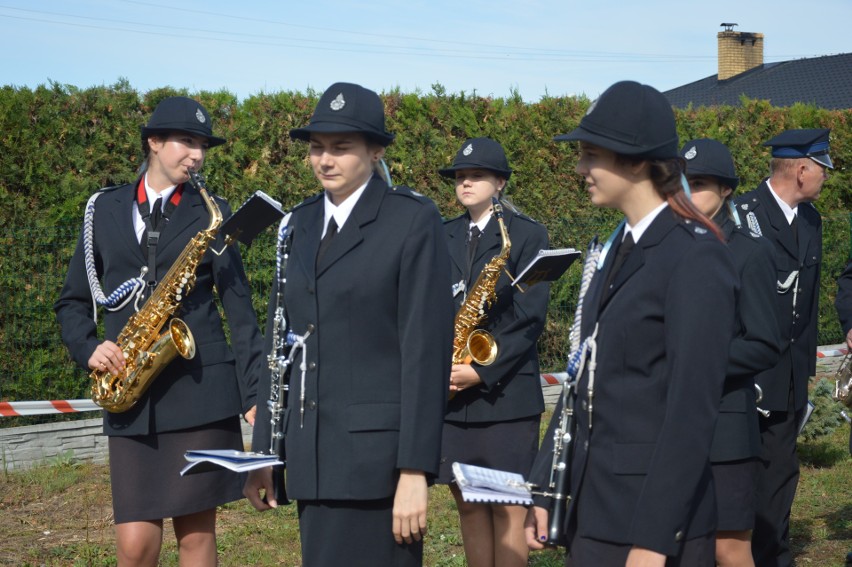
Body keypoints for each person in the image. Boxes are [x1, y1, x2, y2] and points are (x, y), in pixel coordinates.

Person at [524, 80, 738, 567]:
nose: (580, 168)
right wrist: (544, 485)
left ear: (637, 161)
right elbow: (582, 376)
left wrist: (655, 540)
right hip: (595, 511)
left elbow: (691, 411)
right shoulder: (617, 252)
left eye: (590, 154)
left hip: (652, 525)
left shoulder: (695, 258)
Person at [243, 82, 454, 566]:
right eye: (317, 148)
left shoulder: (411, 220)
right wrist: (264, 455)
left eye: (341, 147)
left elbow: (425, 350)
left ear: (375, 150)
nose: (325, 160)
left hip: (379, 466)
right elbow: (282, 346)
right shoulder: (296, 224)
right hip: (313, 458)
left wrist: (415, 470)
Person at [54, 96, 263, 566]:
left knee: (195, 537)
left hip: (201, 392)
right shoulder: (101, 209)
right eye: (186, 142)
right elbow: (71, 301)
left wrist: (253, 394)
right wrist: (88, 348)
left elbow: (240, 309)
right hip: (132, 393)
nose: (197, 154)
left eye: (203, 145)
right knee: (135, 545)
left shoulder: (214, 211)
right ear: (153, 142)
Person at [436, 137, 549, 567]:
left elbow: (530, 317)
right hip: (451, 394)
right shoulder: (441, 232)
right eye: (460, 176)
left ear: (500, 182)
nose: (465, 182)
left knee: (508, 507)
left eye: (476, 175)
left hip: (504, 395)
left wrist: (481, 372)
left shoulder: (528, 234)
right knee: (467, 504)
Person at [681, 138, 782, 567]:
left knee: (729, 546)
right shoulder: (666, 246)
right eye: (682, 183)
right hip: (670, 423)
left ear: (726, 190)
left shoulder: (749, 252)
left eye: (700, 183)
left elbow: (764, 343)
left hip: (725, 425)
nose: (688, 193)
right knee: (680, 542)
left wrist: (698, 362)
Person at [734, 128, 831, 567]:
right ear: (801, 170)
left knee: (780, 472)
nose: (826, 178)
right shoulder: (743, 216)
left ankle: (773, 554)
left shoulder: (811, 221)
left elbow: (805, 305)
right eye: (823, 170)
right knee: (738, 473)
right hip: (748, 374)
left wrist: (803, 372)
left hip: (789, 374)